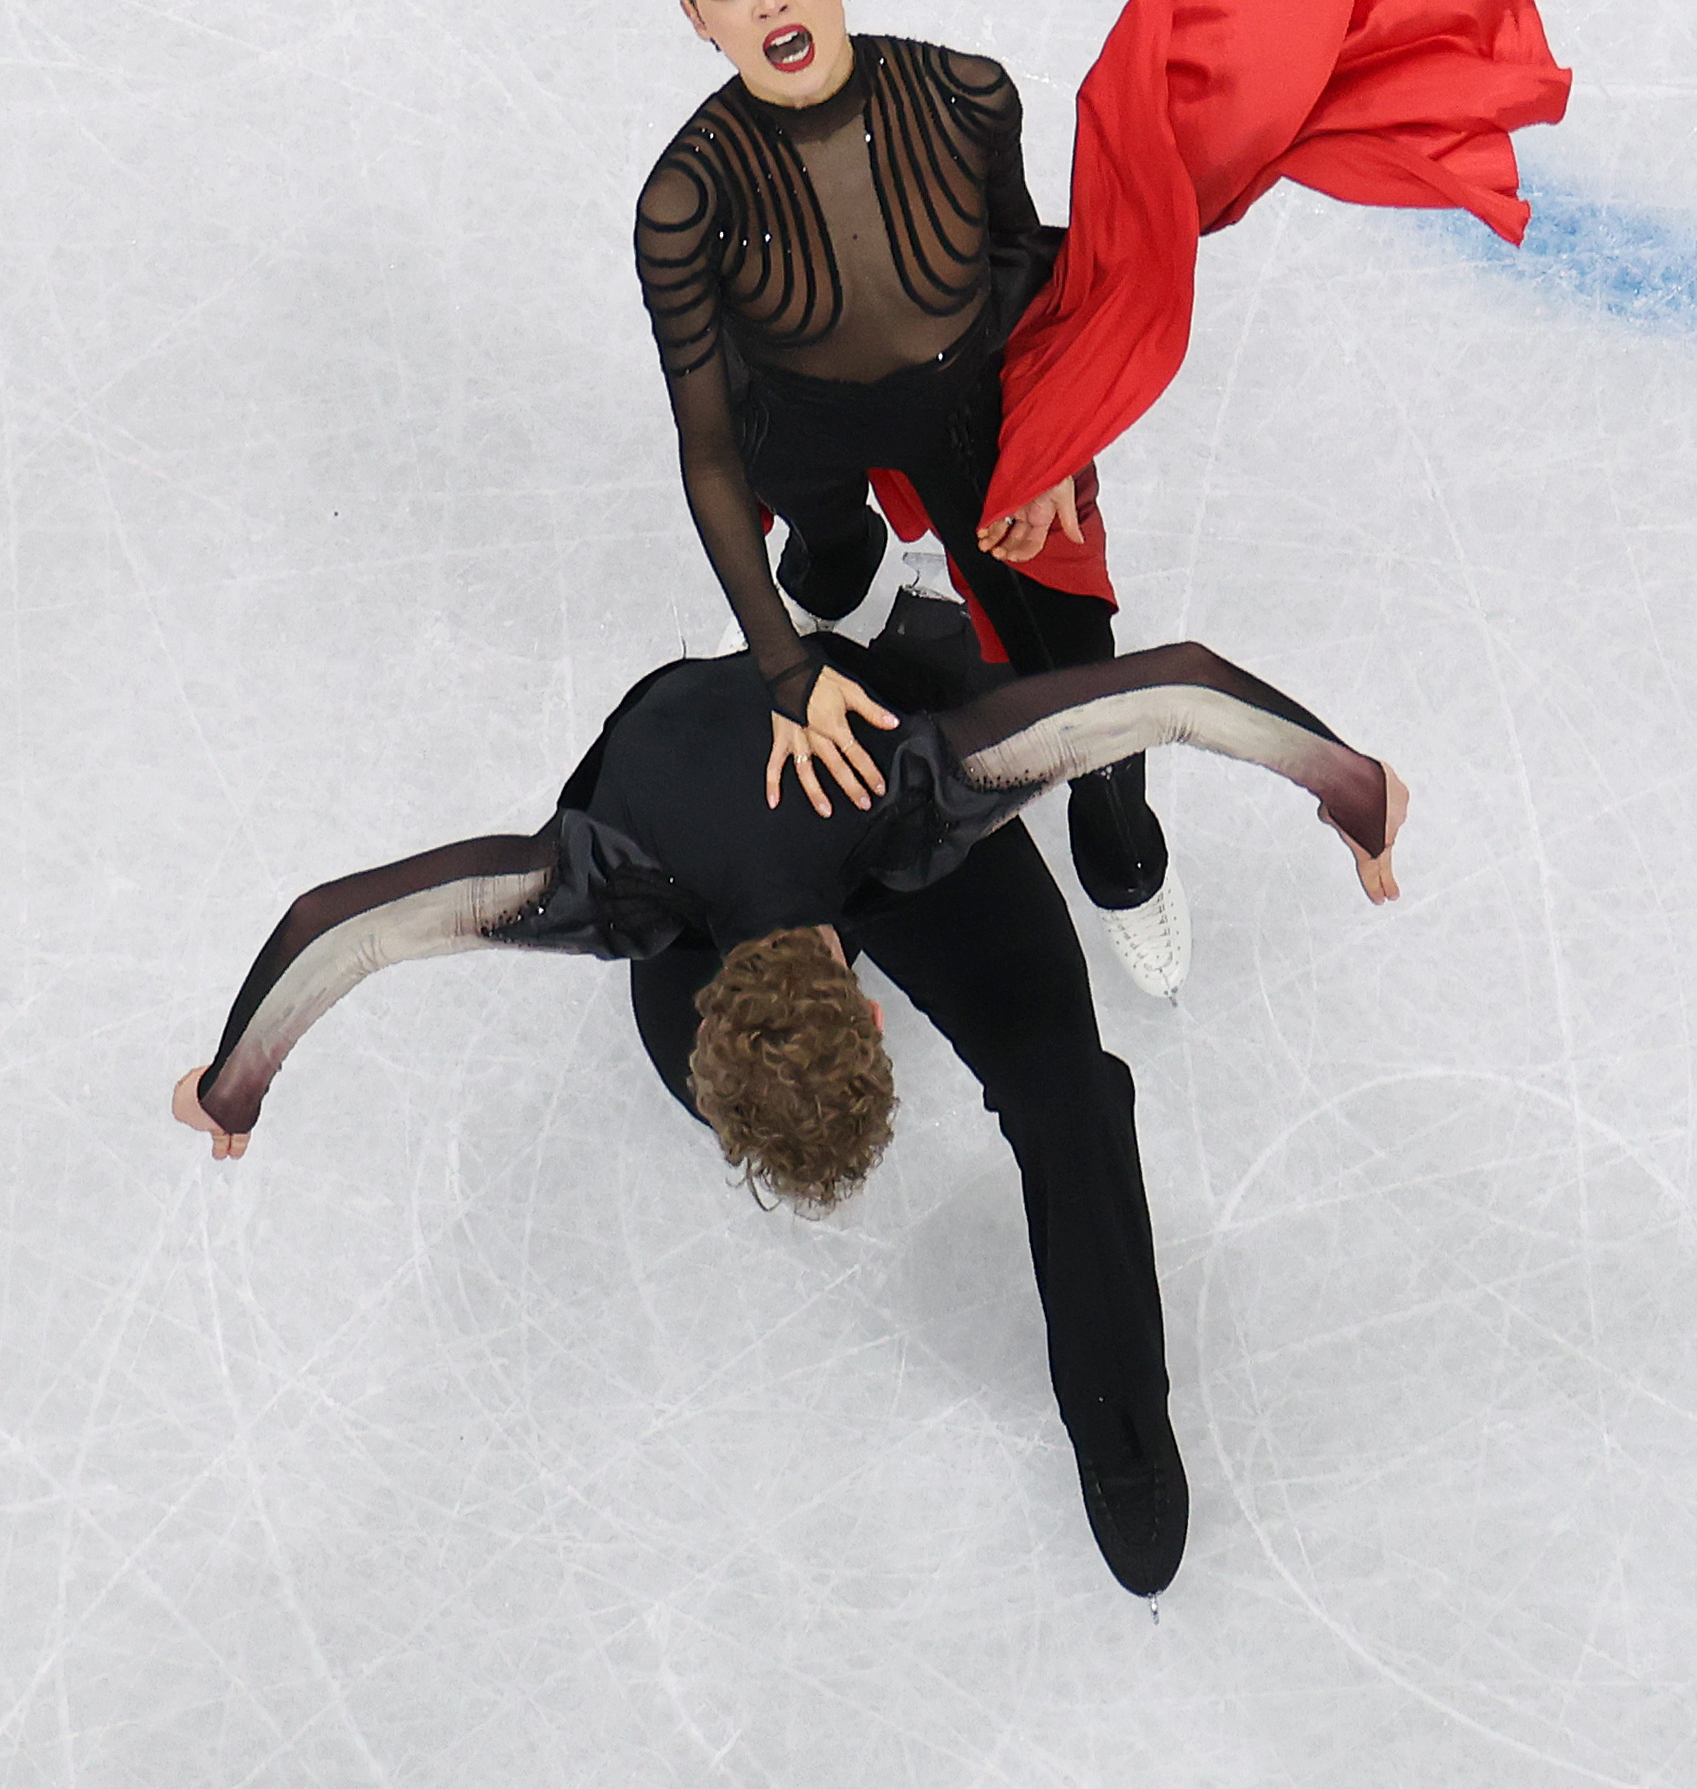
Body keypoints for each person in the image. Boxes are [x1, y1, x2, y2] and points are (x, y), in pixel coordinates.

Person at [166, 589, 1410, 1596]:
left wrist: (237, 1090)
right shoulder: (609, 886)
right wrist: (1352, 791)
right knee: (918, 1086)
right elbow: (1177, 688)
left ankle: (1121, 1421)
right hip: (704, 853)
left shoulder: (916, 791)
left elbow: (341, 924)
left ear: (861, 1009)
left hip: (852, 781)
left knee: (1067, 1097)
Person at [644, 0, 1190, 991]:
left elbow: (1017, 268)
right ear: (698, 20)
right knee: (830, 555)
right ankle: (837, 566)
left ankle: (1124, 857)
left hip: (964, 407)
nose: (769, 0)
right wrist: (785, 670)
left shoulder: (966, 95)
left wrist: (1047, 443)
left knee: (1078, 670)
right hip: (793, 424)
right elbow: (709, 449)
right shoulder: (686, 202)